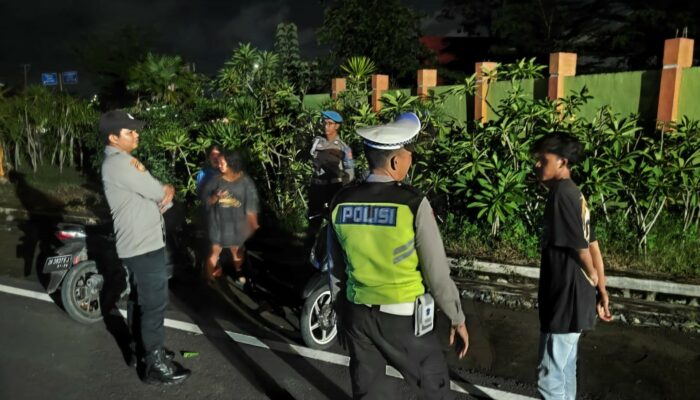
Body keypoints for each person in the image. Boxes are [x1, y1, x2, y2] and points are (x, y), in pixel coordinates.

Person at [328, 112, 469, 399]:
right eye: (408, 154)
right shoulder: (412, 204)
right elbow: (437, 273)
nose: (410, 159)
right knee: (434, 386)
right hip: (403, 319)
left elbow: (335, 268)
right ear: (395, 162)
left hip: (357, 315)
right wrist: (457, 317)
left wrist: (341, 310)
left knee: (368, 392)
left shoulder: (340, 202)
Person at [99, 110, 191, 385]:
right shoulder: (122, 163)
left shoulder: (116, 162)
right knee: (154, 305)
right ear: (113, 138)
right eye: (129, 132)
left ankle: (139, 352)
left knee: (140, 300)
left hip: (137, 244)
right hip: (144, 246)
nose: (136, 134)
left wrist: (161, 192)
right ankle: (155, 365)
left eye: (136, 130)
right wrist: (169, 188)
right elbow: (155, 192)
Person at [531, 133, 613, 400]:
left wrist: (593, 279)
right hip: (575, 298)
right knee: (565, 368)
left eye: (543, 160)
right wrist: (601, 290)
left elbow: (583, 250)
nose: (537, 165)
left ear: (562, 162)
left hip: (565, 298)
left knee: (549, 376)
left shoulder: (562, 196)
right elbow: (594, 246)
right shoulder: (576, 194)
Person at [202, 149, 260, 284]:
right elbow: (206, 201)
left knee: (237, 252)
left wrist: (252, 222)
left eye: (223, 163)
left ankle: (239, 272)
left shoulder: (245, 182)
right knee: (214, 252)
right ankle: (208, 279)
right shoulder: (215, 181)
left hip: (236, 225)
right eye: (219, 163)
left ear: (232, 163)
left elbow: (251, 202)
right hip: (218, 224)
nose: (219, 165)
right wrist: (216, 196)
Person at [307, 110, 354, 242]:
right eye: (324, 123)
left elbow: (349, 171)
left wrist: (346, 190)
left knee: (335, 220)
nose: (326, 126)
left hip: (334, 187)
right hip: (317, 186)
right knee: (313, 220)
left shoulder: (344, 148)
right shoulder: (316, 142)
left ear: (337, 126)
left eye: (330, 123)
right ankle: (309, 248)